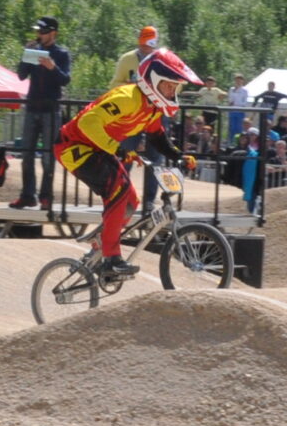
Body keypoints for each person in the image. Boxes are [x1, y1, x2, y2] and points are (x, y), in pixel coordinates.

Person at [53, 46, 203, 283]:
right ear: (153, 81)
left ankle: (101, 243)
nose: (173, 91)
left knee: (131, 201)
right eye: (169, 85)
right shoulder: (128, 98)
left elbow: (157, 136)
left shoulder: (152, 107)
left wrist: (178, 155)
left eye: (175, 87)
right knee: (118, 193)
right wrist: (119, 148)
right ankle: (111, 258)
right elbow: (88, 123)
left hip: (98, 148)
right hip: (74, 147)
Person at [12, 15, 71, 211]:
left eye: (43, 31)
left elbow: (64, 80)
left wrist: (52, 67)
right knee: (26, 154)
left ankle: (46, 196)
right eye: (38, 31)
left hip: (51, 111)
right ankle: (28, 195)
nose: (39, 34)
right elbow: (21, 75)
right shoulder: (33, 51)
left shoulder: (62, 54)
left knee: (48, 156)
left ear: (53, 33)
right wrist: (25, 54)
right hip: (32, 108)